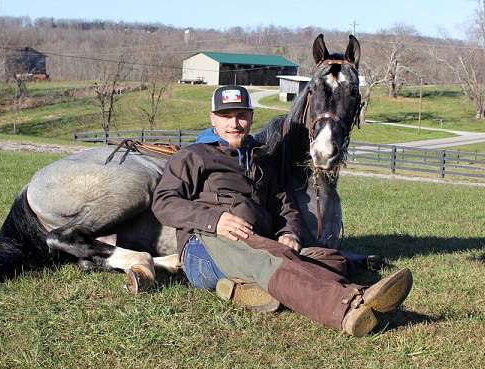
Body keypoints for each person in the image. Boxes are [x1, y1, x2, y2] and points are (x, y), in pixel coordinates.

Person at [151, 85, 413, 337]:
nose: (234, 123)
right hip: (205, 247)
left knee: (323, 256)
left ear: (251, 118)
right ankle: (347, 308)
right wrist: (215, 220)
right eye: (226, 116)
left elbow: (284, 205)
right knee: (267, 261)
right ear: (213, 119)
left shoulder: (261, 159)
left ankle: (249, 289)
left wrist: (289, 232)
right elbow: (163, 202)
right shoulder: (193, 156)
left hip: (258, 242)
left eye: (241, 115)